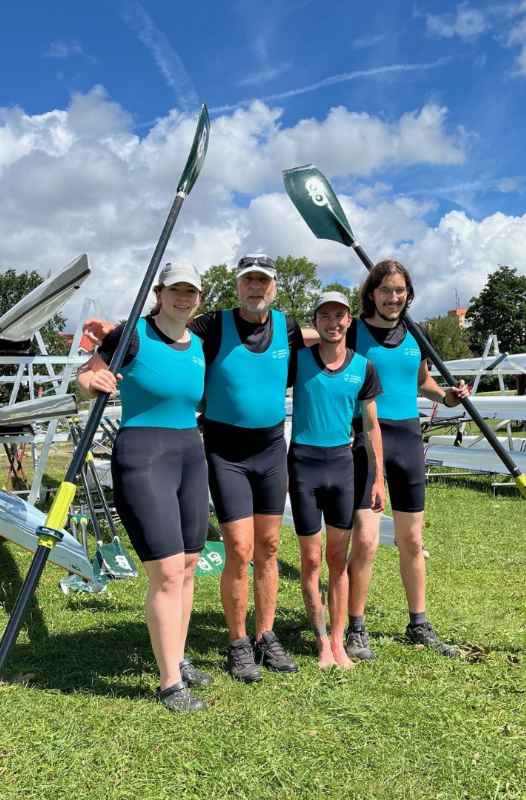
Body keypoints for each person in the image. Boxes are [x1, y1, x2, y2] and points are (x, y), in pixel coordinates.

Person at [85, 254, 309, 683]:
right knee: (216, 556)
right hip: (195, 450)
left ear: (274, 288)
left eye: (264, 281)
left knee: (235, 555)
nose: (256, 287)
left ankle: (252, 639)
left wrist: (342, 336)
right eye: (248, 281)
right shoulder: (204, 328)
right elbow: (138, 342)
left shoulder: (278, 329)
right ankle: (224, 651)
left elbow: (313, 343)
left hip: (236, 449)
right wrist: (102, 353)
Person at [76, 262, 212, 712]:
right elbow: (83, 378)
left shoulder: (200, 346)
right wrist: (89, 383)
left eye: (191, 292)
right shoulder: (131, 335)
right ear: (159, 292)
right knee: (167, 571)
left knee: (190, 564)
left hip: (190, 454)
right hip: (143, 454)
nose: (183, 298)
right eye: (176, 290)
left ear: (199, 298)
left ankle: (178, 654)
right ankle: (170, 682)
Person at [344, 260, 470, 660]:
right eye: (385, 290)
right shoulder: (353, 332)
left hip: (408, 438)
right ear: (371, 294)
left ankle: (419, 624)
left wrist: (448, 397)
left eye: (399, 290)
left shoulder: (417, 333)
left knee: (411, 539)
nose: (393, 297)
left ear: (408, 293)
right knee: (364, 541)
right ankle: (356, 628)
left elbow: (420, 382)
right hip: (366, 440)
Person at [288, 291, 385, 669]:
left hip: (343, 466)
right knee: (311, 561)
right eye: (324, 316)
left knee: (337, 561)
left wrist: (378, 480)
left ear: (349, 321)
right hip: (304, 464)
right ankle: (321, 644)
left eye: (339, 316)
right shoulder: (297, 362)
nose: (333, 322)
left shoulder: (364, 367)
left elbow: (373, 425)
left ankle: (339, 640)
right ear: (316, 322)